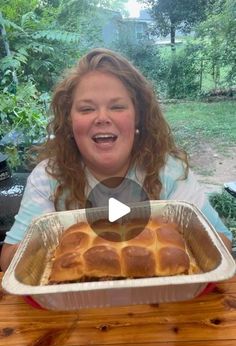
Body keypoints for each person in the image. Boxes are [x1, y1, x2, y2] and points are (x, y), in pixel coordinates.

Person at [0, 48, 232, 272]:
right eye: (87, 109)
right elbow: (10, 261)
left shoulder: (167, 170)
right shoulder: (48, 177)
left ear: (138, 117)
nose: (102, 118)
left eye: (117, 106)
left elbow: (222, 244)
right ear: (69, 122)